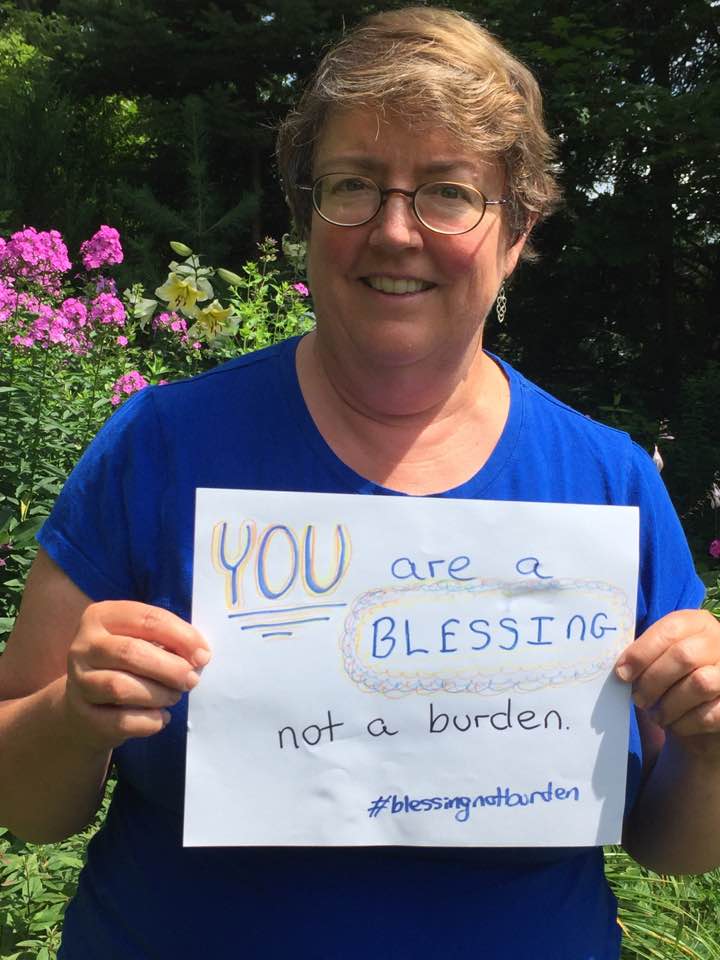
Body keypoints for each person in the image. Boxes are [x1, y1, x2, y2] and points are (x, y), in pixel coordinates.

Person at [1, 7, 719, 958]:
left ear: (516, 232)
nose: (394, 231)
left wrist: (711, 746)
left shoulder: (605, 483)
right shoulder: (161, 446)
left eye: (450, 193)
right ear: (307, 215)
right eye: (353, 186)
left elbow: (670, 847)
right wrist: (72, 715)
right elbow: (26, 806)